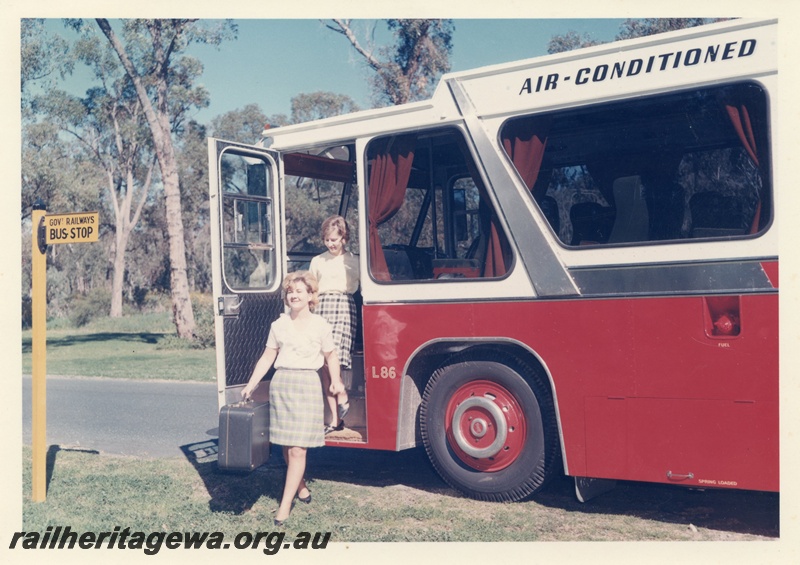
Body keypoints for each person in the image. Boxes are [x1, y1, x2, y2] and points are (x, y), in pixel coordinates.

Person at [241, 271, 345, 526]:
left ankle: (284, 505)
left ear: (311, 295)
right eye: (290, 291)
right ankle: (300, 486)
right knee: (288, 446)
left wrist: (336, 380)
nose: (294, 295)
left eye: (300, 291)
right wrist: (251, 384)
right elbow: (268, 357)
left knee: (298, 449)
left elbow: (331, 356)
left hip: (308, 385)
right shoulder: (278, 325)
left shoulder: (320, 325)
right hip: (283, 385)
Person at [309, 215, 360, 433]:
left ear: (344, 238)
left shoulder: (354, 261)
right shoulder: (318, 261)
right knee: (323, 364)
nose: (331, 244)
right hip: (322, 308)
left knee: (335, 355)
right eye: (327, 240)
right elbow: (311, 289)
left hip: (344, 306)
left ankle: (342, 393)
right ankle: (334, 420)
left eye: (335, 240)